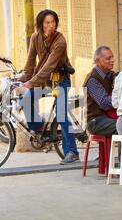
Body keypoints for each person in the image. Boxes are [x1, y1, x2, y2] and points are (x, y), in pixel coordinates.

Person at [17, 9, 79, 164]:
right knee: (26, 100)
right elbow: (30, 63)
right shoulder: (35, 37)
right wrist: (20, 79)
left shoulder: (60, 41)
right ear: (41, 25)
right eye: (47, 23)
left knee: (61, 113)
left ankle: (72, 152)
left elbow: (48, 67)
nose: (51, 25)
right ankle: (39, 130)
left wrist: (31, 82)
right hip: (44, 82)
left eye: (53, 22)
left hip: (60, 81)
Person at [83, 45, 118, 138]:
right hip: (95, 121)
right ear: (98, 61)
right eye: (108, 58)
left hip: (107, 117)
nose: (112, 60)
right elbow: (105, 103)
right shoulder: (92, 79)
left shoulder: (109, 74)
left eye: (112, 57)